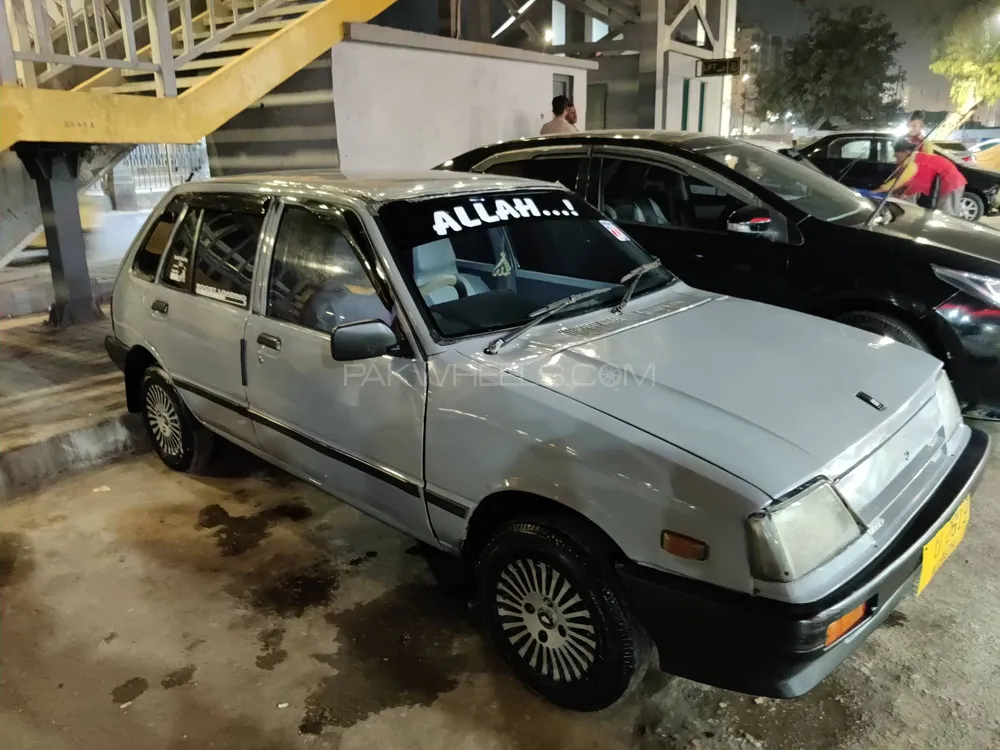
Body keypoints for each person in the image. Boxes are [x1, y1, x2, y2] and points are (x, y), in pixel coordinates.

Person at [878, 138, 967, 217]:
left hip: (951, 183)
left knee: (948, 213)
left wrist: (873, 192)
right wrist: (905, 194)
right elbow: (915, 183)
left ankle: (949, 233)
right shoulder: (914, 158)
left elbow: (905, 184)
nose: (896, 159)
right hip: (946, 181)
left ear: (906, 152)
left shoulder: (913, 163)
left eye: (897, 156)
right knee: (942, 211)